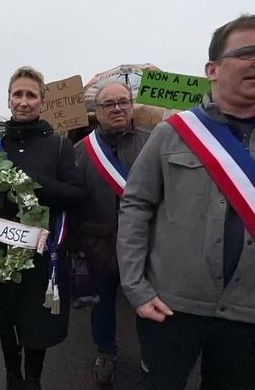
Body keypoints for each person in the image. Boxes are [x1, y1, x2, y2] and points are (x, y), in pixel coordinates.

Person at [117, 15, 255, 390]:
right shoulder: (173, 134)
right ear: (213, 69)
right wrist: (136, 287)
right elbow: (136, 206)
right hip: (171, 308)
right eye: (249, 51)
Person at [0, 66, 84, 390]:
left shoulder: (60, 147)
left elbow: (76, 194)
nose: (23, 101)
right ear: (8, 100)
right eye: (17, 94)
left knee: (36, 325)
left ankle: (32, 378)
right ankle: (12, 375)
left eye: (31, 95)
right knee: (5, 320)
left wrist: (35, 187)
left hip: (41, 253)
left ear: (42, 102)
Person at [70, 82, 149, 384]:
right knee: (102, 306)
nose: (117, 108)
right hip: (98, 246)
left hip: (145, 245)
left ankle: (150, 352)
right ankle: (106, 351)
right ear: (96, 111)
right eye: (108, 104)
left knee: (146, 305)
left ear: (131, 105)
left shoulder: (154, 142)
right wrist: (76, 247)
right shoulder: (79, 152)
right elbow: (73, 204)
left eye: (123, 102)